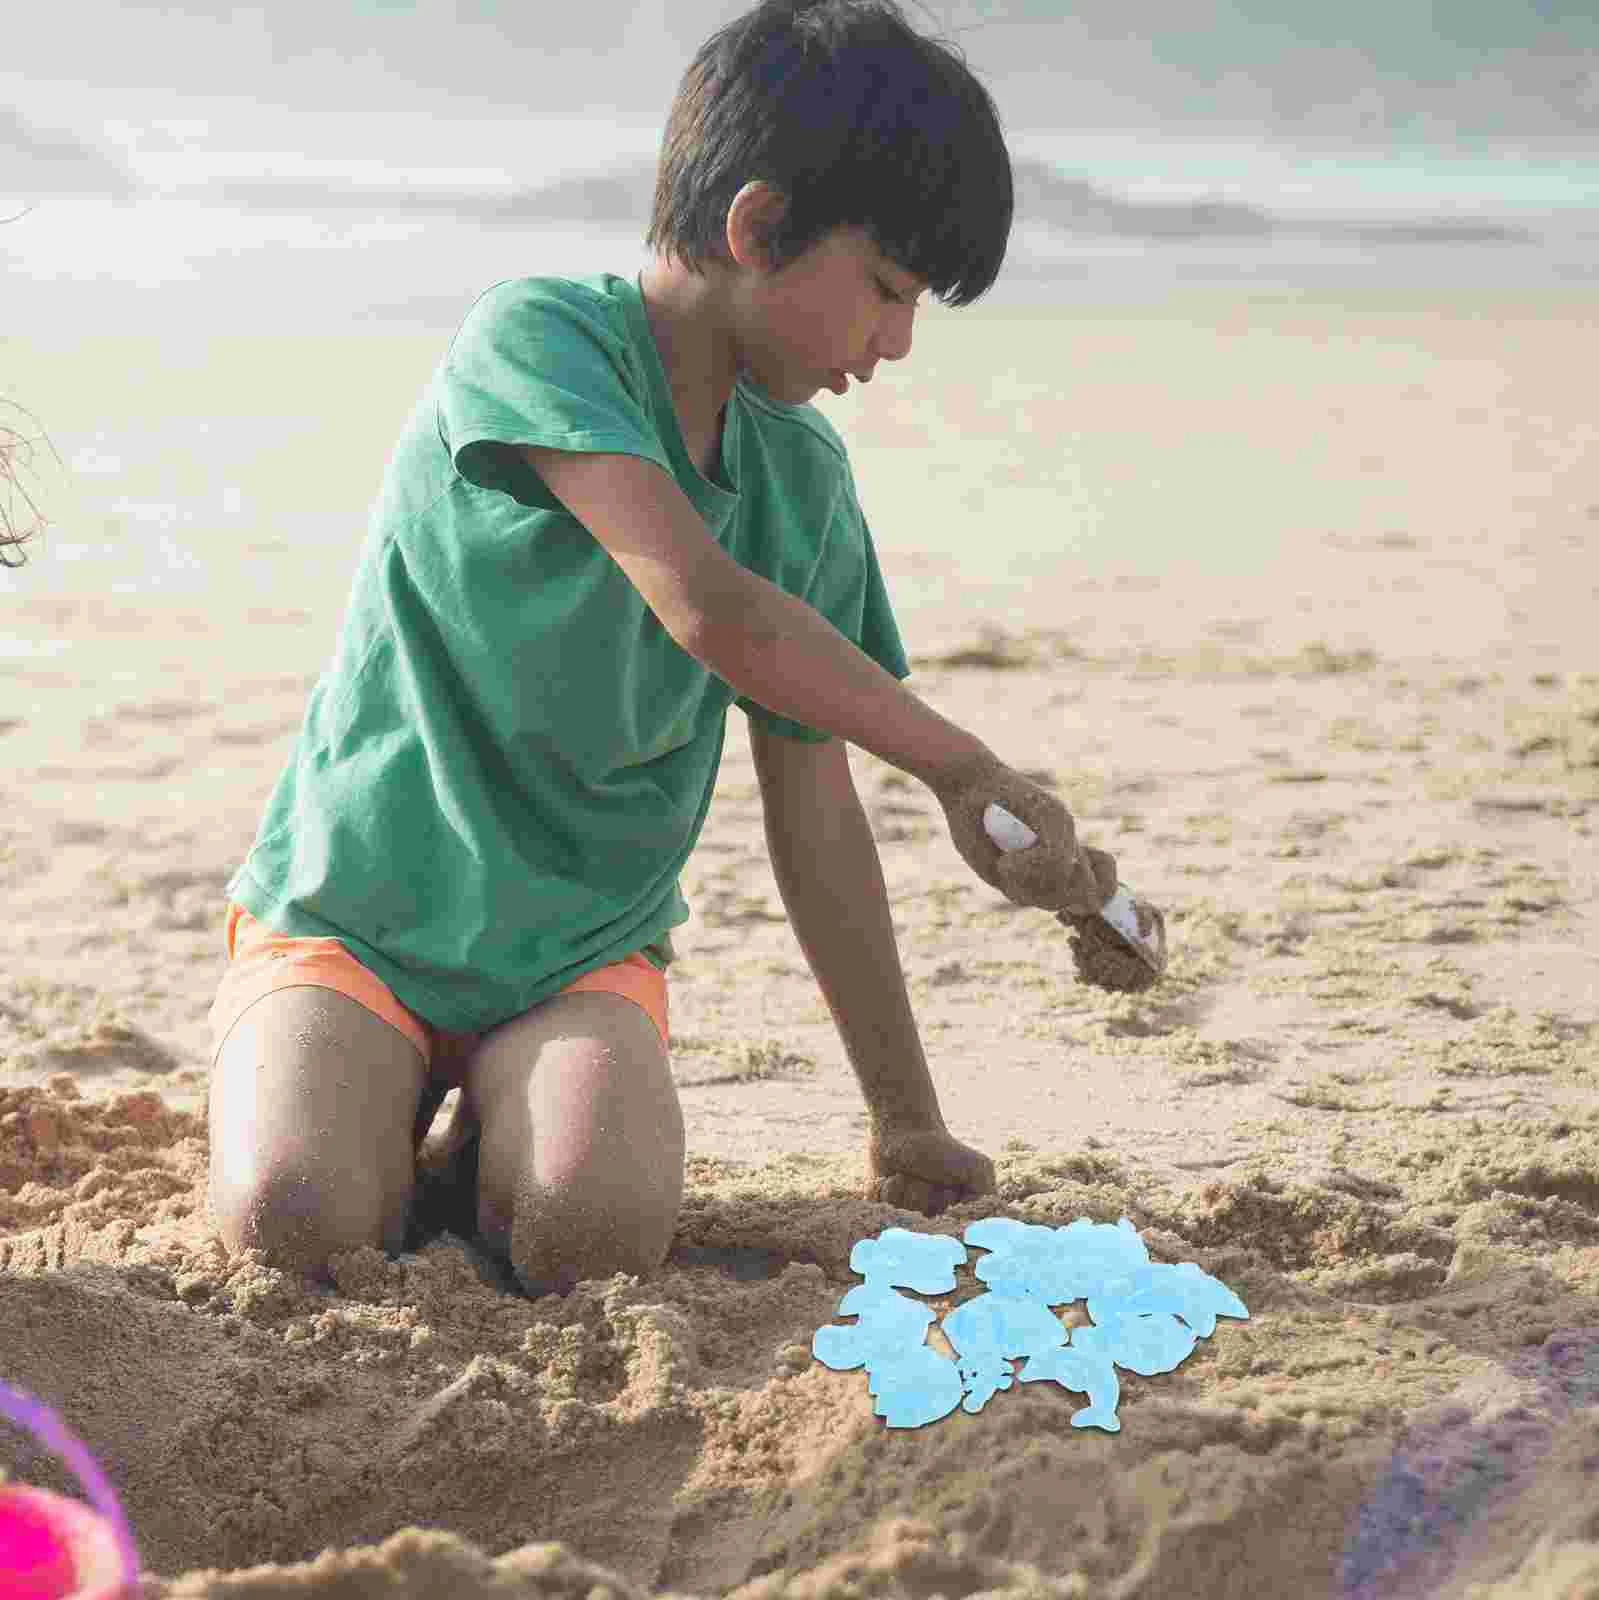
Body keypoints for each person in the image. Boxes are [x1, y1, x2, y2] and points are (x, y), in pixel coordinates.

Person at [205, 0, 1118, 1299]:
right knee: (293, 1218)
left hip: (577, 961)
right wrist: (964, 766)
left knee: (594, 1238)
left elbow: (816, 815)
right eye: (888, 291)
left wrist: (904, 1115)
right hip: (353, 921)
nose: (899, 343)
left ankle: (477, 1144)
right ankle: (352, 1093)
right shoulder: (536, 341)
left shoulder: (803, 480)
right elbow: (703, 603)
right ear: (755, 229)